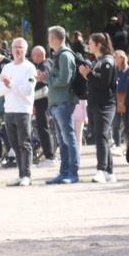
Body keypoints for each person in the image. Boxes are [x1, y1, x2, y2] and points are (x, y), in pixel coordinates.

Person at [0, 38, 36, 186]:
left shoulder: (29, 67)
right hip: (9, 110)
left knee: (24, 143)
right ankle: (20, 174)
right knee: (14, 144)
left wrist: (10, 84)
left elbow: (27, 90)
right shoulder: (6, 67)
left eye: (20, 47)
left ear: (26, 50)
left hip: (23, 110)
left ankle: (27, 175)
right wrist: (7, 85)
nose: (17, 50)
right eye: (15, 47)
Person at [42, 26, 80, 184]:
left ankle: (73, 172)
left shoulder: (65, 56)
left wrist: (47, 79)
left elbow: (64, 80)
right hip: (57, 103)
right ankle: (64, 172)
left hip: (64, 102)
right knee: (62, 139)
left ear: (55, 38)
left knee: (68, 138)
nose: (48, 41)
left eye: (50, 37)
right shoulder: (58, 55)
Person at [80, 33, 118, 183]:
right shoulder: (98, 61)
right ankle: (109, 171)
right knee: (101, 137)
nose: (88, 45)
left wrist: (88, 75)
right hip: (96, 104)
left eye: (90, 43)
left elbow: (104, 83)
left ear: (98, 44)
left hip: (105, 104)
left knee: (101, 136)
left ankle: (101, 170)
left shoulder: (107, 61)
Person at [30, 45, 56, 166]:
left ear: (40, 54)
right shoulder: (49, 62)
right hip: (44, 101)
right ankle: (49, 155)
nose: (31, 56)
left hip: (43, 101)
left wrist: (38, 77)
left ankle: (50, 156)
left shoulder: (44, 65)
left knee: (43, 127)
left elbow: (44, 76)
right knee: (44, 127)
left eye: (33, 54)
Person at [113, 50, 129, 148]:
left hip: (127, 99)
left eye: (116, 57)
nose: (114, 59)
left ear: (122, 58)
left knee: (127, 124)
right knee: (116, 124)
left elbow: (128, 86)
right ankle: (117, 145)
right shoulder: (114, 70)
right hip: (116, 99)